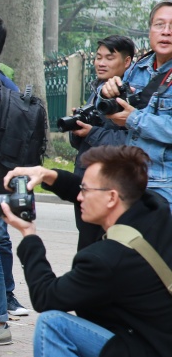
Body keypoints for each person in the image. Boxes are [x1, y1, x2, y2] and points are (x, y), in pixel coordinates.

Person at [2, 146, 172, 357]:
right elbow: (96, 195)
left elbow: (46, 298)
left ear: (111, 198)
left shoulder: (108, 259)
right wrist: (49, 176)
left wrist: (28, 235)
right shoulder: (154, 207)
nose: (79, 196)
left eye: (84, 189)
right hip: (161, 355)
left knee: (54, 326)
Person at [101, 0, 172, 206]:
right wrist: (106, 93)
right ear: (150, 30)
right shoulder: (139, 67)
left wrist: (133, 118)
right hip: (131, 180)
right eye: (159, 25)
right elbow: (106, 108)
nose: (166, 32)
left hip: (166, 185)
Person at [68, 35, 135, 249]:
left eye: (109, 57)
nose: (101, 63)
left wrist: (91, 133)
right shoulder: (97, 89)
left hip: (111, 186)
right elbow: (82, 144)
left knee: (104, 249)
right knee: (86, 245)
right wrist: (78, 127)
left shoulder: (131, 96)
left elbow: (131, 141)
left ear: (126, 62)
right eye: (98, 57)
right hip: (87, 180)